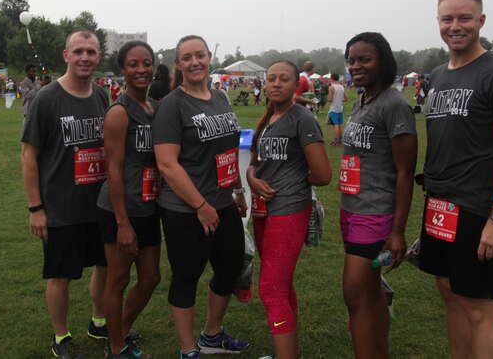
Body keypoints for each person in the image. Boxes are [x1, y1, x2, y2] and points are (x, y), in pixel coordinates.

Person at [420, 0, 493, 359]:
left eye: (464, 18)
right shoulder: (437, 76)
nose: (455, 26)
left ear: (480, 21)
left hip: (479, 207)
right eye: (448, 18)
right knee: (449, 293)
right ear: (438, 22)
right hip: (440, 204)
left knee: (479, 307)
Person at [153, 35, 250, 359]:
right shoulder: (172, 105)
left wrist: (236, 189)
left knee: (230, 268)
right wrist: (200, 205)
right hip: (185, 209)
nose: (195, 62)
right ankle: (187, 348)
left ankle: (211, 334)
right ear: (178, 64)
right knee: (187, 275)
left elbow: (227, 150)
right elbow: (167, 163)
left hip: (223, 202)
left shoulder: (220, 97)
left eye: (200, 55)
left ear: (209, 58)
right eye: (187, 58)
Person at [21, 30, 109, 359]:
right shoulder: (47, 98)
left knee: (105, 267)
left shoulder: (101, 97)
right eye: (79, 51)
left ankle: (99, 322)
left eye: (91, 51)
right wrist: (35, 208)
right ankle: (61, 337)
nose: (85, 57)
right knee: (60, 276)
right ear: (66, 55)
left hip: (99, 205)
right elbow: (29, 155)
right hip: (61, 207)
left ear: (98, 56)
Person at [338, 33, 417, 359]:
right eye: (352, 60)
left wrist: (397, 231)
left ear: (382, 60)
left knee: (355, 295)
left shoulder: (394, 104)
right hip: (351, 210)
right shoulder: (363, 100)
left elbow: (405, 171)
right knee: (370, 295)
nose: (356, 66)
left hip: (376, 215)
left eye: (364, 59)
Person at [246, 61, 332, 359]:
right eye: (271, 78)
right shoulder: (270, 117)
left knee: (270, 289)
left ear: (297, 85)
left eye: (284, 79)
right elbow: (256, 163)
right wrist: (251, 178)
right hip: (264, 212)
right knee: (282, 287)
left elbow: (322, 174)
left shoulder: (301, 118)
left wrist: (292, 180)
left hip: (289, 210)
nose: (276, 83)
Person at [97, 41, 162, 359]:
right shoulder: (119, 113)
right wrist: (123, 223)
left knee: (151, 277)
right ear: (122, 69)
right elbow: (114, 170)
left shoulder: (155, 108)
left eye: (146, 63)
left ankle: (119, 329)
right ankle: (115, 347)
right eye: (133, 64)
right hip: (119, 209)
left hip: (148, 206)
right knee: (119, 278)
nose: (141, 70)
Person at [327, 73, 348, 146]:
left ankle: (337, 141)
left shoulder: (331, 87)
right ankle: (340, 140)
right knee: (339, 125)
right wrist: (339, 100)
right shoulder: (342, 86)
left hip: (334, 108)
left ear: (332, 78)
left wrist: (329, 97)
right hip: (340, 108)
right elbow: (346, 99)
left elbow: (329, 99)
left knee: (335, 125)